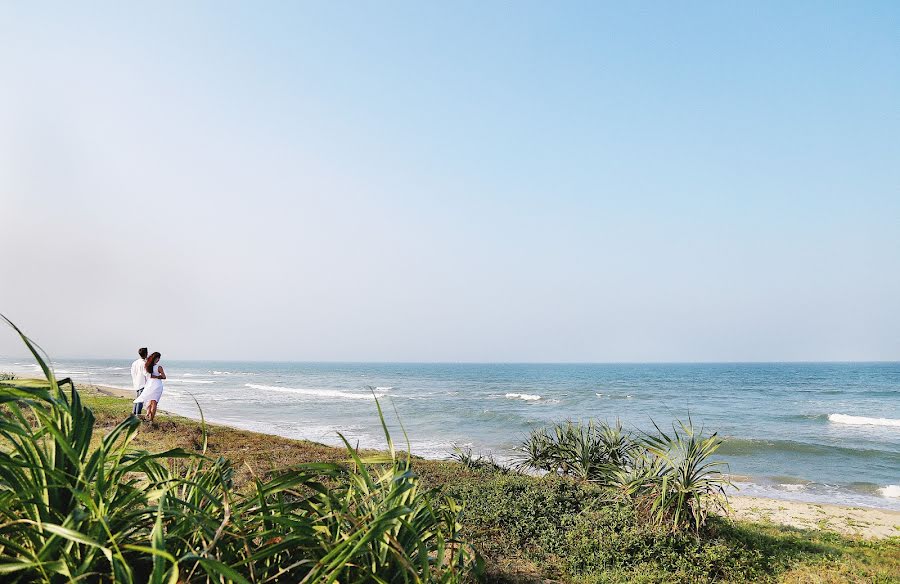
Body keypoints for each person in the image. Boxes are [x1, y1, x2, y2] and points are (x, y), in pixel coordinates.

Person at [134, 352, 166, 422]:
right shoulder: (159, 367)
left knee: (149, 401)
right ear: (156, 358)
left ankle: (147, 415)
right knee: (154, 402)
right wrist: (158, 376)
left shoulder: (147, 366)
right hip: (157, 385)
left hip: (149, 385)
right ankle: (151, 420)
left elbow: (149, 376)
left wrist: (153, 376)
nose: (158, 360)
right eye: (158, 358)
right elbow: (164, 377)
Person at [130, 347, 148, 416]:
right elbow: (146, 374)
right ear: (146, 354)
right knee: (140, 400)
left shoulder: (135, 362)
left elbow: (132, 372)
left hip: (136, 383)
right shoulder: (144, 363)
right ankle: (137, 415)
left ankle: (134, 414)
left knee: (137, 399)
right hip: (142, 383)